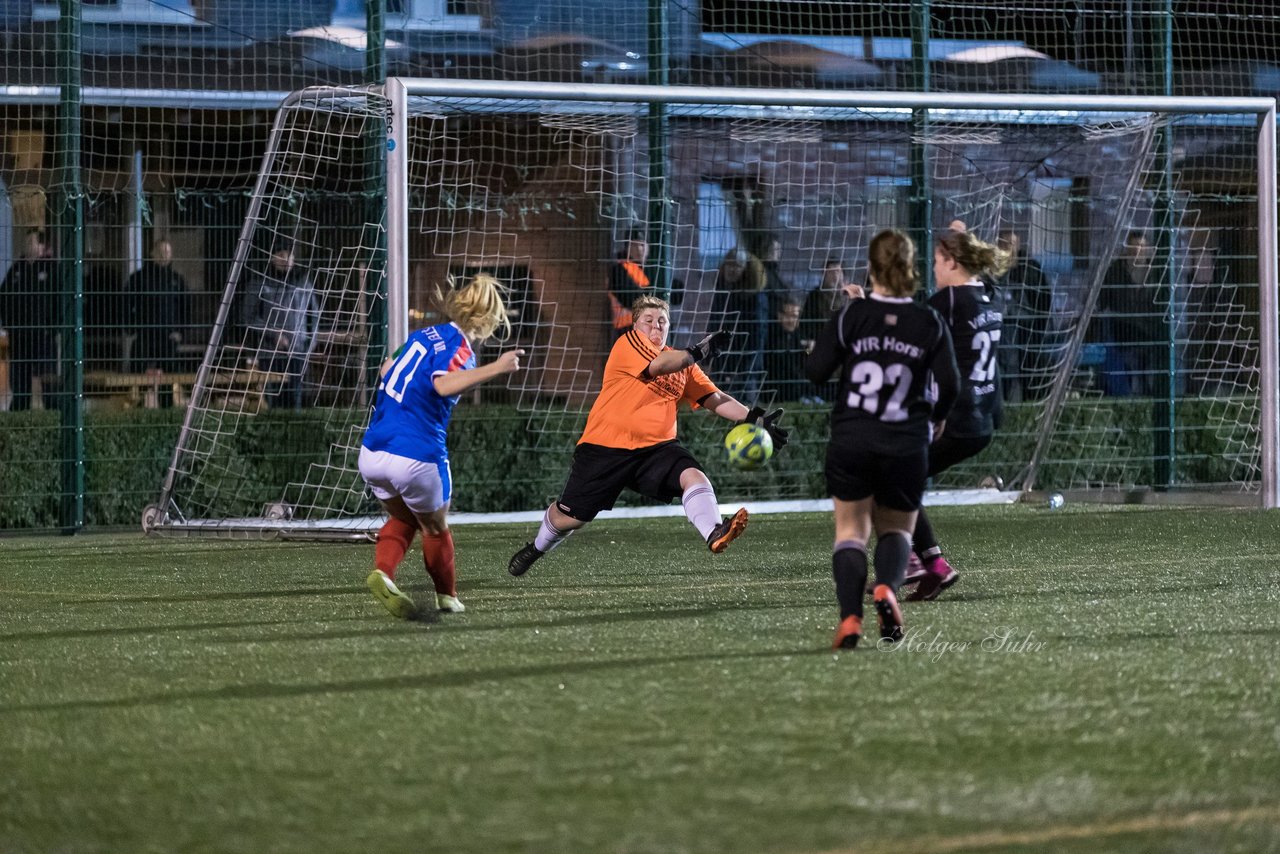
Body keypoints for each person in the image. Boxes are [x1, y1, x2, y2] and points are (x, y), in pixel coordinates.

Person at [507, 294, 790, 578]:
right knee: (570, 517)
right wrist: (697, 352)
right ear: (635, 325)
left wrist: (754, 417)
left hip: (657, 449)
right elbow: (659, 366)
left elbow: (713, 397)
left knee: (693, 475)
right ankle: (536, 548)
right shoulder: (629, 344)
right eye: (649, 320)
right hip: (605, 447)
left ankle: (715, 532)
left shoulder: (683, 364)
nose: (656, 326)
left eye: (662, 321)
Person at [805, 229, 960, 649]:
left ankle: (850, 619)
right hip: (906, 442)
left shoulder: (851, 316)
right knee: (896, 531)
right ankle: (888, 590)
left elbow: (816, 370)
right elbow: (951, 383)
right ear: (911, 268)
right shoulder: (928, 320)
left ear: (871, 268)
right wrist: (939, 418)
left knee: (851, 532)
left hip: (853, 438)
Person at [360, 273, 525, 619]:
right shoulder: (460, 347)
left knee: (404, 519)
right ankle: (447, 597)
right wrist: (497, 367)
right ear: (486, 320)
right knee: (435, 526)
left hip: (373, 451)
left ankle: (383, 573)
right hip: (416, 455)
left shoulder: (419, 337)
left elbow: (386, 367)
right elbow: (443, 385)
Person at [904, 223, 1011, 601]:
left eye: (936, 261)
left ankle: (925, 563)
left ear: (951, 262)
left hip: (957, 419)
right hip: (984, 419)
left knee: (893, 475)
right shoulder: (992, 297)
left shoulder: (947, 303)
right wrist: (954, 234)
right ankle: (921, 562)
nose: (932, 269)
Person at [238, 239, 320, 410]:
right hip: (270, 352)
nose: (285, 259)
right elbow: (248, 316)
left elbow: (314, 317)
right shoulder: (259, 282)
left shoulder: (303, 282)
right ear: (272, 257)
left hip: (298, 351)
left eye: (289, 255)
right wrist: (273, 334)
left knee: (295, 400)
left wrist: (308, 346)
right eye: (281, 254)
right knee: (273, 401)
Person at [1091, 230, 1164, 397]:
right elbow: (1102, 299)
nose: (1138, 250)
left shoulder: (1157, 272)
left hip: (1150, 332)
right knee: (1127, 375)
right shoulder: (1115, 271)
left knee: (1148, 374)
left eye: (1141, 247)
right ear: (1127, 249)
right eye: (1134, 247)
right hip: (1123, 332)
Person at [125, 239, 189, 404]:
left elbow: (185, 308)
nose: (164, 256)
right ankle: (137, 413)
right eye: (160, 252)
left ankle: (166, 412)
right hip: (144, 336)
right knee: (138, 380)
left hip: (168, 338)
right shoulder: (139, 279)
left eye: (167, 252)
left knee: (167, 382)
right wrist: (131, 328)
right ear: (152, 253)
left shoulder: (177, 280)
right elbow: (125, 304)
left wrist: (181, 332)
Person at [0, 230, 57, 411]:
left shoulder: (51, 268)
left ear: (41, 246)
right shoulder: (17, 269)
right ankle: (20, 411)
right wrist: (9, 325)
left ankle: (53, 410)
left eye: (32, 242)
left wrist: (54, 327)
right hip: (20, 335)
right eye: (27, 243)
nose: (28, 246)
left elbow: (59, 298)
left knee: (47, 377)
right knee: (19, 377)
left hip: (43, 335)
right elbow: (4, 296)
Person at [995, 229, 1053, 402]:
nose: (1008, 248)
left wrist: (1040, 324)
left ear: (1018, 245)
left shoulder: (1031, 268)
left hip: (1028, 327)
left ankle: (1027, 403)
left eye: (1011, 244)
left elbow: (1043, 299)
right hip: (1002, 326)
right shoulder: (992, 269)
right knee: (1006, 369)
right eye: (1004, 244)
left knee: (1027, 368)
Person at [709, 246, 767, 402]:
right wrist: (708, 357)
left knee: (746, 408)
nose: (732, 269)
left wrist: (745, 368)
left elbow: (757, 335)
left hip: (746, 365)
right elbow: (714, 322)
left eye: (737, 266)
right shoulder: (722, 288)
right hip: (722, 360)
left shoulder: (755, 296)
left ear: (746, 270)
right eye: (729, 264)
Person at [764, 296, 817, 403]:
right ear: (779, 316)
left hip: (799, 390)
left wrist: (807, 350)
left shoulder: (795, 334)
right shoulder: (773, 337)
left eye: (795, 316)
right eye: (788, 316)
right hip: (781, 393)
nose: (792, 320)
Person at [801, 256, 864, 344]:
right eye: (830, 272)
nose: (834, 275)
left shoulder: (850, 294)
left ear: (843, 274)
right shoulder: (815, 295)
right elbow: (806, 323)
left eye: (838, 271)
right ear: (824, 274)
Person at [607, 230, 651, 339]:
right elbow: (631, 299)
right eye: (634, 245)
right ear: (627, 247)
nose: (640, 249)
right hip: (626, 328)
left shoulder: (648, 271)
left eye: (642, 244)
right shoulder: (620, 268)